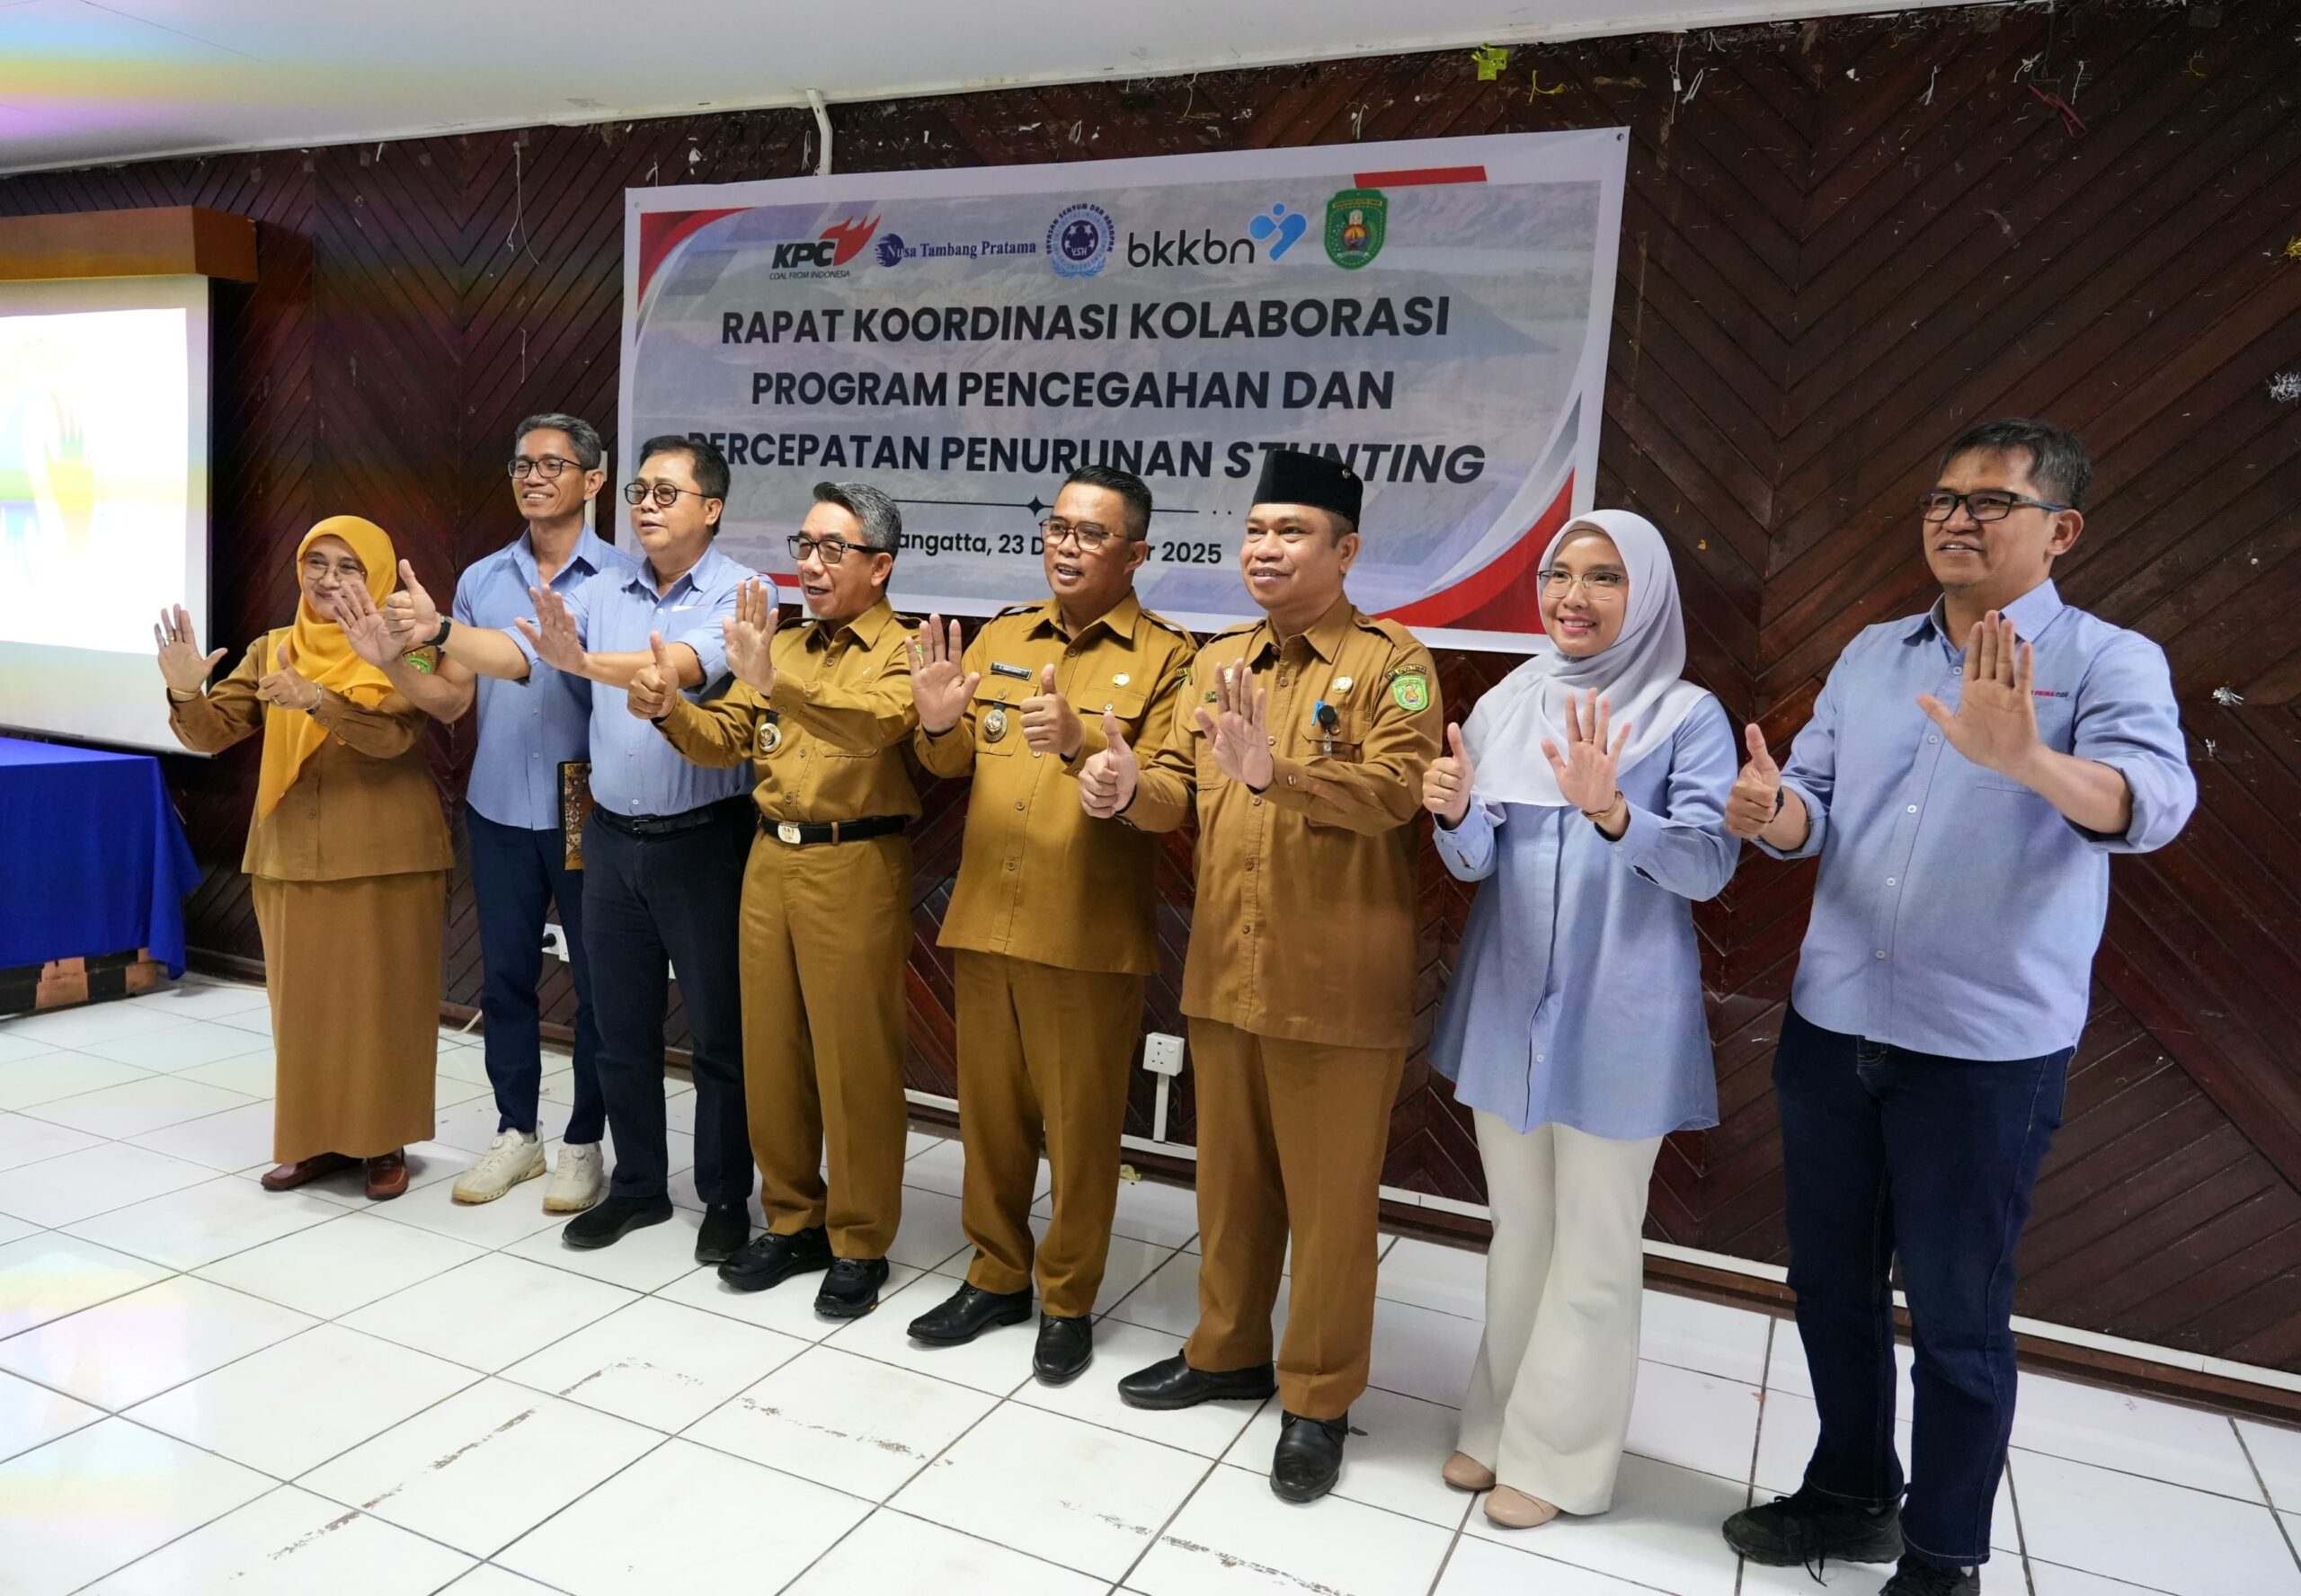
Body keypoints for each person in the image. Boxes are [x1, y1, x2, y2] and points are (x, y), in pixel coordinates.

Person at [1717, 420, 2197, 1596]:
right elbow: (1813, 806)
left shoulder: (2107, 660)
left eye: (1990, 502)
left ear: (2060, 530)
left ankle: (1943, 1558)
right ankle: (1850, 1492)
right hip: (1835, 1026)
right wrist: (1774, 813)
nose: (1955, 519)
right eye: (1942, 498)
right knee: (1830, 1286)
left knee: (1956, 1316)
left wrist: (2027, 757)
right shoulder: (1873, 653)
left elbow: (2154, 803)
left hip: (1981, 1054)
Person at [1079, 448, 1442, 1503]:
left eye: (1291, 532)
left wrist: (1276, 773)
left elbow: (1397, 791)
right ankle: (1226, 1350)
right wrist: (1121, 787)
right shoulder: (1218, 661)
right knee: (1229, 1188)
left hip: (1333, 986)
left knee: (1329, 1212)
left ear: (1346, 550)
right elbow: (1177, 791)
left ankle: (1318, 1398)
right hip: (1225, 974)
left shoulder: (1393, 661)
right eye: (1254, 531)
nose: (1265, 549)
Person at [1420, 510, 1739, 1530]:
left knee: (1595, 1246)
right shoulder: (1510, 701)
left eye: (1604, 577)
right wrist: (1453, 813)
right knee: (1519, 1230)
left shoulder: (1686, 716)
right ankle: (1497, 1423)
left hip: (1620, 1012)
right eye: (1559, 574)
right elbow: (1476, 863)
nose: (1573, 595)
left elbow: (1709, 865)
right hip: (1510, 1002)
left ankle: (1558, 1461)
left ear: (1645, 594)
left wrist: (1615, 813)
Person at [384, 435, 757, 1264]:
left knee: (718, 1037)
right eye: (641, 491)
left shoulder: (744, 591)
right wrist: (441, 629)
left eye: (666, 492)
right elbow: (517, 654)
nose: (647, 504)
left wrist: (580, 660)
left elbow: (677, 668)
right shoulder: (604, 589)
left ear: (711, 508)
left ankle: (726, 1194)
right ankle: (638, 1187)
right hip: (612, 835)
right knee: (620, 1029)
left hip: (703, 842)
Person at [903, 465, 1194, 1382]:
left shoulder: (1170, 657)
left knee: (1079, 1134)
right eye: (1057, 527)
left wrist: (1087, 750)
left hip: (1084, 935)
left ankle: (1067, 1299)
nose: (1066, 546)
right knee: (988, 1121)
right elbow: (952, 760)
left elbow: (1168, 798)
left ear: (1135, 553)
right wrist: (936, 725)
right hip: (986, 918)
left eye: (1091, 533)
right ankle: (995, 1275)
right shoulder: (1002, 635)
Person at [339, 413, 631, 1213]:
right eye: (522, 464)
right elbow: (448, 700)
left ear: (594, 480)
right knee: (504, 979)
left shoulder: (622, 580)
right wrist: (392, 662)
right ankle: (517, 1133)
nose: (533, 477)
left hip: (588, 808)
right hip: (497, 804)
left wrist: (439, 630)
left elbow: (544, 666)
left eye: (552, 464)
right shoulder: (480, 578)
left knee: (600, 986)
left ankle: (584, 1142)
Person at [654, 482, 920, 1320]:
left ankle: (860, 1239)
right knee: (771, 1052)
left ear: (879, 566)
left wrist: (777, 681)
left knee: (854, 1063)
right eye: (804, 546)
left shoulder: (907, 650)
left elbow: (876, 724)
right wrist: (670, 712)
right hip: (770, 859)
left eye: (832, 549)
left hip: (857, 862)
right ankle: (794, 1219)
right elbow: (727, 739)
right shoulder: (786, 645)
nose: (811, 564)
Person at [155, 518, 450, 1201]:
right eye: (316, 563)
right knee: (302, 1009)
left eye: (349, 567)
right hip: (289, 852)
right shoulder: (273, 648)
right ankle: (312, 1139)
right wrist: (186, 692)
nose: (328, 579)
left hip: (387, 854)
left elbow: (396, 736)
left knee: (385, 1006)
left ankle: (383, 1141)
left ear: (378, 575)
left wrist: (319, 699)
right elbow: (213, 733)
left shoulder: (412, 649)